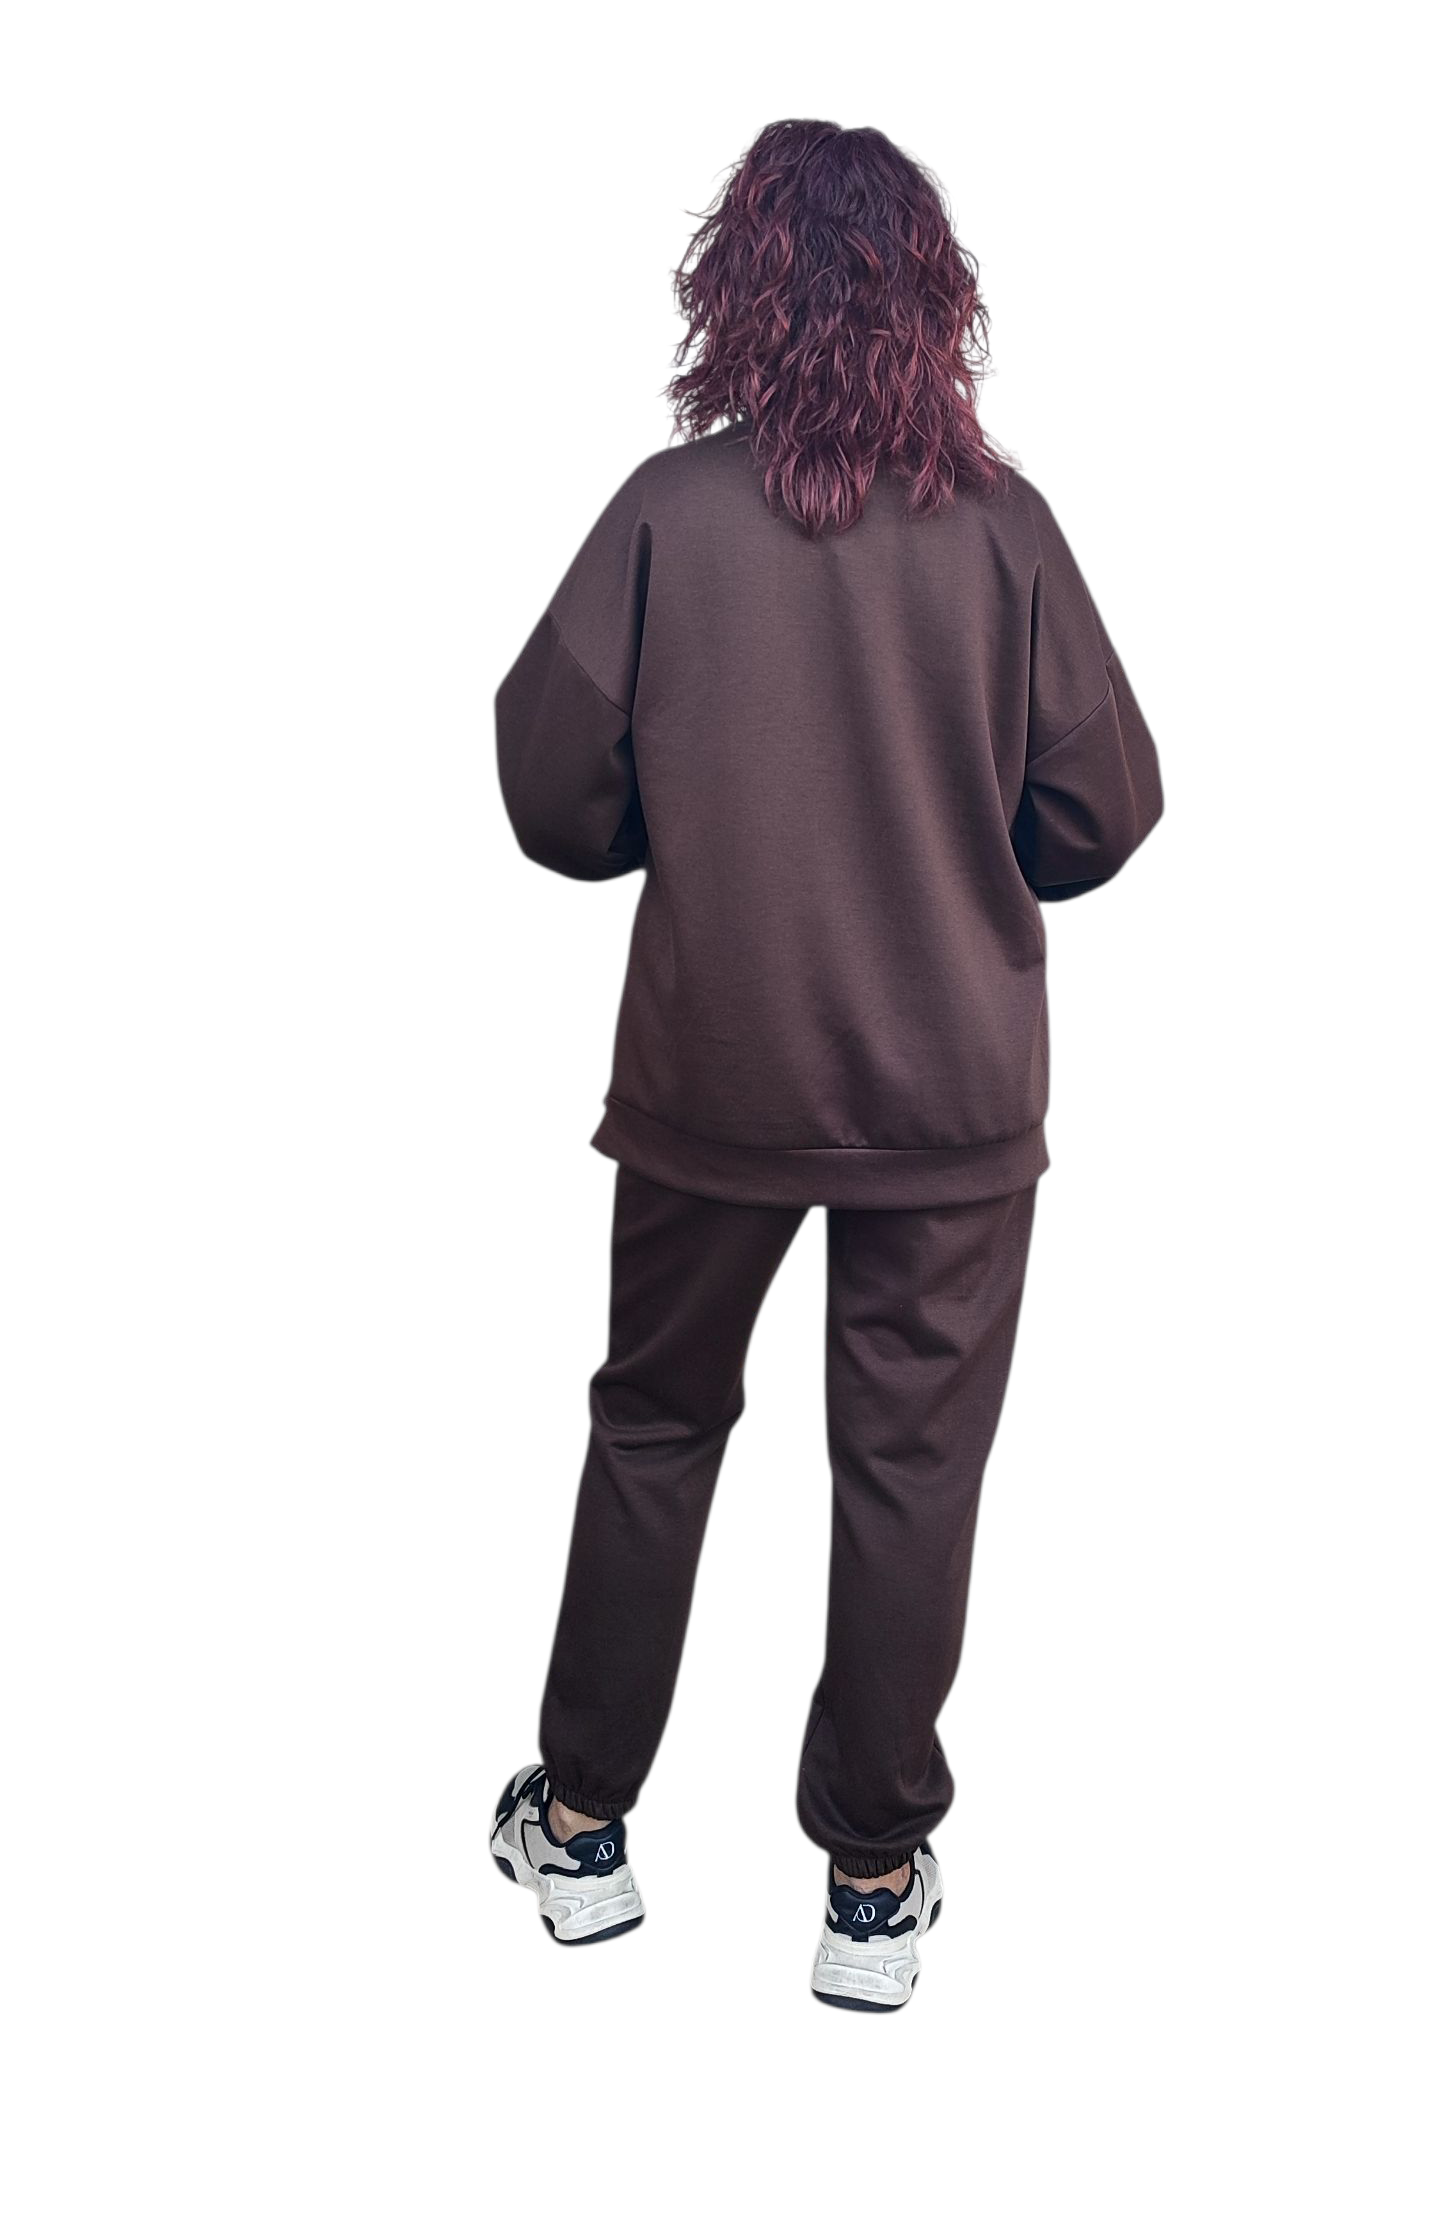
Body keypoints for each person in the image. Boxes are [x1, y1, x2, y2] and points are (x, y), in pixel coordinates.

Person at [487, 120, 1162, 2011]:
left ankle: (581, 1827)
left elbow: (549, 792)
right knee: (913, 1468)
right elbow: (1106, 807)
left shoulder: (667, 515)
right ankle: (873, 1880)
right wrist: (955, 850)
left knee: (654, 1425)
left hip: (714, 1069)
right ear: (931, 298)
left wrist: (698, 823)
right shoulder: (1004, 530)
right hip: (952, 1097)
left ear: (741, 289)